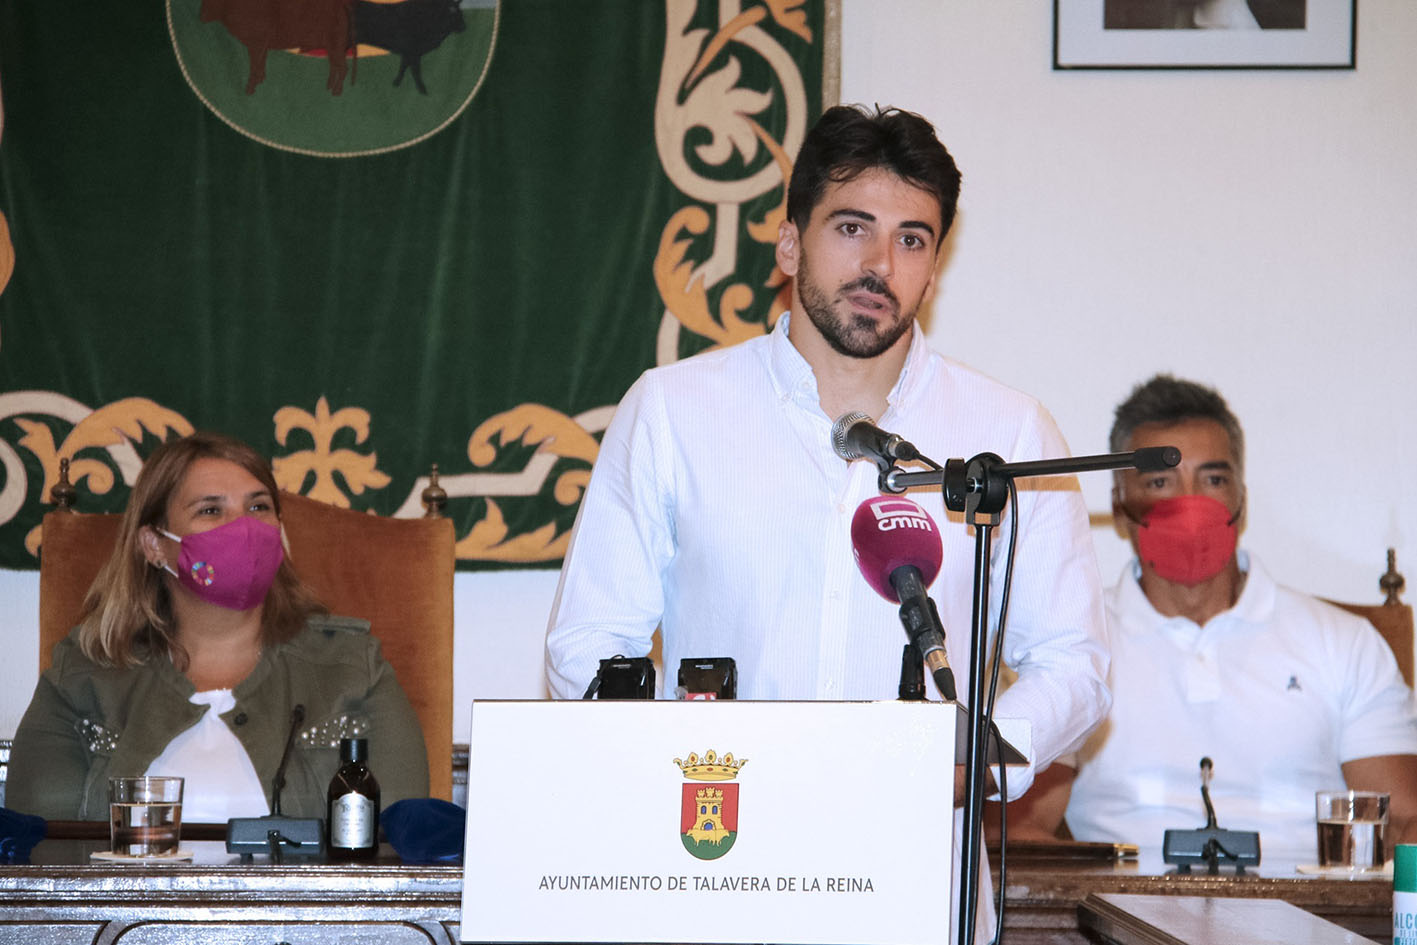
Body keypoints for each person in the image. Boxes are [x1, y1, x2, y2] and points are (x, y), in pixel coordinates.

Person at [545, 104, 1110, 940]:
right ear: (787, 244)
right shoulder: (673, 411)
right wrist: (683, 759)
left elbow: (1076, 662)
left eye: (912, 239)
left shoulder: (1008, 435)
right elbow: (587, 645)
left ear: (934, 264)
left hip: (922, 887)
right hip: (711, 876)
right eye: (852, 227)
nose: (880, 263)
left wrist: (969, 757)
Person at [1007, 375, 1417, 856]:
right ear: (1119, 507)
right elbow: (1017, 833)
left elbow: (1403, 824)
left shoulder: (1345, 642)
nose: (1190, 504)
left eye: (1213, 480)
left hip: (1309, 923)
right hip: (1122, 917)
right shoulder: (1071, 647)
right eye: (1160, 481)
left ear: (1241, 502)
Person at [8, 432, 429, 822]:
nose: (243, 528)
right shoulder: (83, 674)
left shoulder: (353, 666)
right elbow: (41, 846)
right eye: (211, 510)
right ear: (154, 544)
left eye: (258, 507)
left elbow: (398, 841)